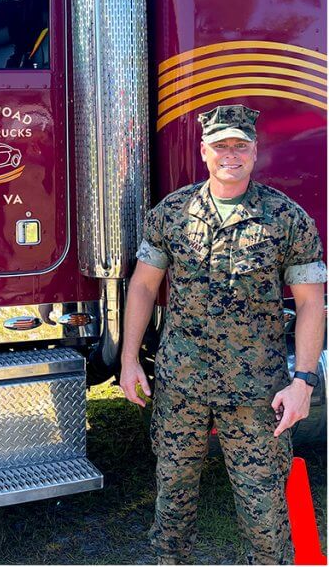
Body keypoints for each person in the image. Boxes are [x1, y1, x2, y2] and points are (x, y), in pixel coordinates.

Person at [119, 104, 326, 564]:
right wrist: (130, 359)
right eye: (220, 146)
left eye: (239, 146)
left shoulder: (285, 217)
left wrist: (304, 382)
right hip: (181, 386)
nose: (229, 154)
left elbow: (312, 302)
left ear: (254, 151)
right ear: (203, 151)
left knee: (264, 511)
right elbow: (143, 286)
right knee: (171, 499)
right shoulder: (172, 212)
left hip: (258, 394)